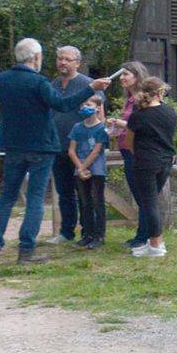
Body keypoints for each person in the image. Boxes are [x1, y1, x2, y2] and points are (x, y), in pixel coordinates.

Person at [0, 38, 111, 265]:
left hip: (13, 146)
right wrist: (90, 88)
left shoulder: (3, 79)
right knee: (35, 200)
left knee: (6, 198)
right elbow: (64, 105)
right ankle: (26, 251)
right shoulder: (39, 82)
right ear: (36, 58)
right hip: (41, 147)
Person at [120, 76, 177, 259]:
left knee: (149, 203)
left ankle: (155, 244)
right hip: (166, 161)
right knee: (152, 202)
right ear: (160, 92)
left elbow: (129, 142)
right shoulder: (170, 112)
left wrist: (140, 155)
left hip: (145, 162)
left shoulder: (138, 116)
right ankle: (153, 242)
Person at [49, 45, 94, 244]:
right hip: (57, 145)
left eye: (67, 59)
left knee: (84, 192)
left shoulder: (88, 84)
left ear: (78, 63)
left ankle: (88, 231)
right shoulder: (53, 84)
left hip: (81, 149)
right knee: (63, 191)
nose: (63, 62)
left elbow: (97, 113)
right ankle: (66, 231)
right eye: (60, 58)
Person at [107, 61, 150, 248]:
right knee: (139, 195)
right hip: (126, 148)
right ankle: (143, 235)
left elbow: (142, 124)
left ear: (137, 76)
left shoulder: (142, 99)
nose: (122, 78)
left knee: (143, 196)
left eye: (126, 74)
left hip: (137, 151)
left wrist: (119, 123)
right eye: (121, 74)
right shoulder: (129, 98)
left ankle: (144, 237)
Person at [66, 95, 112, 249]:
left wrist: (83, 167)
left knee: (97, 202)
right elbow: (72, 150)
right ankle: (87, 234)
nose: (85, 107)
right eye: (83, 105)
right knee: (84, 203)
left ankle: (99, 236)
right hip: (79, 169)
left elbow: (96, 151)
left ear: (98, 107)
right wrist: (80, 168)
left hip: (96, 169)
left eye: (89, 104)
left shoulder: (101, 129)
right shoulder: (77, 128)